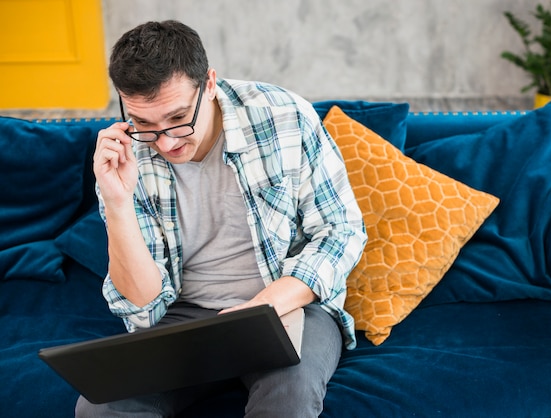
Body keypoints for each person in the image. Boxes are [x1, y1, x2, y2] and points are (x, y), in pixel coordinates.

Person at [76, 20, 366, 417]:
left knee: (289, 399)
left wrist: (263, 306)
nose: (166, 142)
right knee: (100, 408)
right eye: (145, 123)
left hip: (284, 303)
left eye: (178, 118)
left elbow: (341, 232)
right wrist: (117, 202)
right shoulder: (122, 156)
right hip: (184, 315)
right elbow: (142, 307)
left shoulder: (284, 116)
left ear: (209, 83)